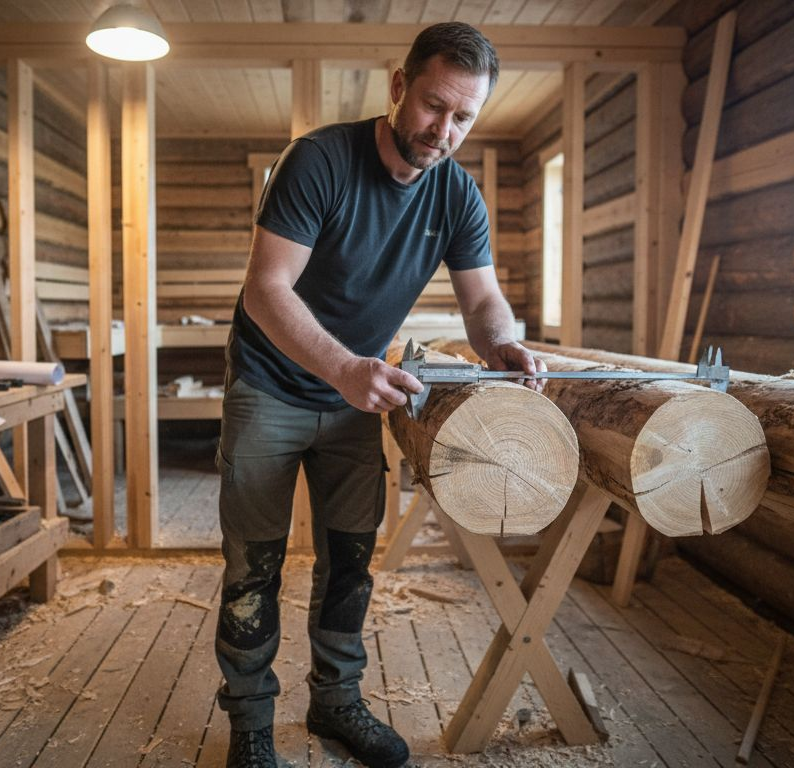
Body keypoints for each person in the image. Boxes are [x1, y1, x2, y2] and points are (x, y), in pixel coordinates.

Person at [215, 21, 545, 768]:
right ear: (399, 86)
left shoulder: (457, 194)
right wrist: (343, 369)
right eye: (433, 105)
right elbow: (266, 290)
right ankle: (250, 722)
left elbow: (482, 299)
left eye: (463, 117)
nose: (444, 130)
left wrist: (501, 341)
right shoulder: (319, 161)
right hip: (271, 387)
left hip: (354, 397)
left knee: (350, 560)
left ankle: (335, 702)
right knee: (254, 567)